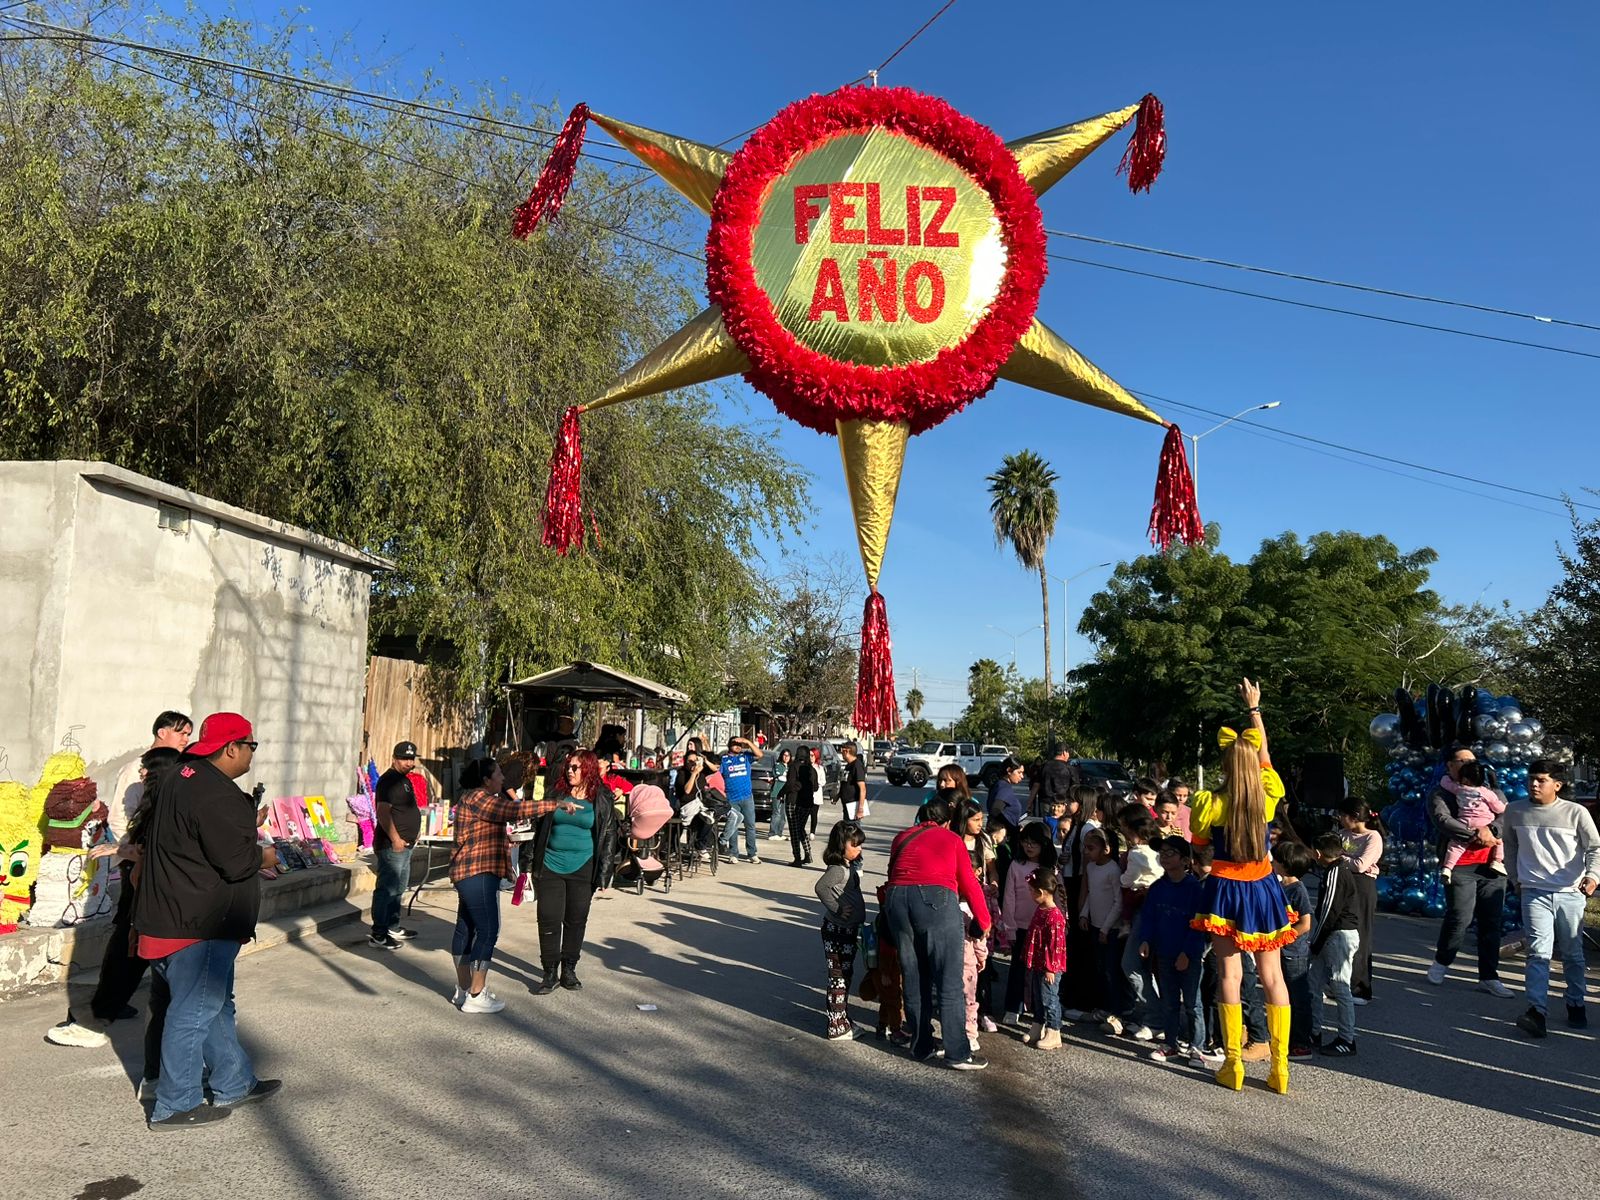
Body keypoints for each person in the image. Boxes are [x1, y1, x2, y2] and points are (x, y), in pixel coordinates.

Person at [135, 713, 280, 1129]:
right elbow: (236, 863)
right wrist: (267, 856)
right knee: (193, 1011)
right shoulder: (217, 793)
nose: (253, 753)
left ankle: (234, 1081)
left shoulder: (182, 778)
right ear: (232, 747)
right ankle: (176, 1103)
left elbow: (197, 839)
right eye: (251, 745)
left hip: (174, 914)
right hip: (199, 922)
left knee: (213, 1006)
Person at [1188, 678, 1298, 1095]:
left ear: (1223, 764)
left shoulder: (1209, 802)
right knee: (1273, 975)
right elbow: (1266, 759)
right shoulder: (1268, 793)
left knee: (1229, 973)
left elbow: (1199, 844)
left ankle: (1233, 1064)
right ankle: (1280, 1068)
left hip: (1224, 889)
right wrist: (1255, 710)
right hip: (1264, 887)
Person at [884, 793, 992, 1070]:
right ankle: (958, 1052)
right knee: (948, 979)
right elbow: (968, 881)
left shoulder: (902, 837)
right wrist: (984, 919)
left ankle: (921, 1046)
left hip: (897, 900)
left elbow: (891, 871)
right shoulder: (952, 839)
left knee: (914, 975)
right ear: (946, 822)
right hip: (935, 898)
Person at [1505, 759, 1599, 1038]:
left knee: (1572, 953)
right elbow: (1509, 846)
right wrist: (1514, 878)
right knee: (1538, 952)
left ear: (1557, 785)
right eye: (1531, 778)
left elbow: (1594, 847)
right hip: (1533, 891)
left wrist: (1593, 877)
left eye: (1541, 780)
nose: (1534, 784)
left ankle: (1575, 1003)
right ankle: (1537, 1011)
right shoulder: (1515, 810)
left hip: (1570, 893)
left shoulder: (1576, 812)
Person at [448, 758, 542, 1012]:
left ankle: (464, 989)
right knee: (487, 931)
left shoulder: (473, 799)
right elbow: (515, 810)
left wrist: (507, 842)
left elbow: (481, 834)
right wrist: (557, 804)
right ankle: (476, 995)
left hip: (471, 873)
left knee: (465, 929)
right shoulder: (481, 798)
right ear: (486, 780)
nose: (503, 779)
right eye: (499, 774)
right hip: (477, 874)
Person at [1426, 747, 1514, 995]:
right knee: (1460, 917)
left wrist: (1492, 832)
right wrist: (1477, 835)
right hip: (1460, 864)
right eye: (1461, 761)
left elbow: (1506, 815)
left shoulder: (1491, 790)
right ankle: (1442, 961)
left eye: (1472, 761)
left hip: (1492, 866)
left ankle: (1489, 976)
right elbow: (1443, 820)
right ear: (1449, 765)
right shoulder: (1442, 792)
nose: (1467, 764)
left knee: (1491, 921)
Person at [529, 749, 618, 995]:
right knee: (548, 918)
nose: (570, 770)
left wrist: (604, 872)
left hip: (584, 865)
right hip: (550, 864)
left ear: (588, 769)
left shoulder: (601, 797)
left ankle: (569, 970)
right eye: (568, 766)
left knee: (576, 920)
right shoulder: (554, 793)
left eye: (576, 767)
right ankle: (549, 972)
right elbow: (537, 828)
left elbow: (609, 835)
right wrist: (528, 864)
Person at [1139, 837, 1212, 1067]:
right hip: (1163, 952)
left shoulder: (1194, 889)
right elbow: (1149, 917)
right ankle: (1170, 1044)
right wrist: (1145, 940)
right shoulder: (1158, 887)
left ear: (1184, 859)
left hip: (1188, 955)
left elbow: (1198, 926)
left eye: (1170, 853)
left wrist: (1188, 953)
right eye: (1162, 853)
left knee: (1193, 1004)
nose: (1165, 857)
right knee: (1169, 1001)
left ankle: (1197, 1048)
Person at [1308, 833, 1362, 1056]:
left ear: (1319, 853)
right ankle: (1314, 1030)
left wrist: (1316, 942)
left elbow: (1329, 912)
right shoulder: (1337, 870)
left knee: (1340, 987)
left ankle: (1347, 1039)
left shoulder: (1335, 874)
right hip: (1332, 934)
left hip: (1339, 934)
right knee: (1314, 982)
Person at [997, 822, 1056, 1025]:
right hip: (1021, 926)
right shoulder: (1016, 865)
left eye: (1034, 844)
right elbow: (1009, 897)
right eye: (1026, 842)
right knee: (1018, 968)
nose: (1029, 847)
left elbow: (1058, 899)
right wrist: (1009, 928)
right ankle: (1013, 1007)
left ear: (1044, 846)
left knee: (1043, 971)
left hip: (1044, 927)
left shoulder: (1050, 869)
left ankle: (1040, 1009)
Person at [950, 797, 998, 1048]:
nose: (980, 824)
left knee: (980, 963)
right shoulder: (952, 840)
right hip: (957, 903)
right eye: (976, 819)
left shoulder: (983, 841)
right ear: (963, 819)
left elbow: (992, 867)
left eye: (982, 819)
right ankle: (962, 1021)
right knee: (961, 967)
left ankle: (983, 1012)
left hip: (979, 903)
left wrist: (993, 885)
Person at [815, 821, 868, 1040]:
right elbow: (820, 887)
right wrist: (837, 908)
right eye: (855, 845)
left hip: (846, 931)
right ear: (840, 845)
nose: (859, 849)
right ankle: (836, 1025)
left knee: (845, 975)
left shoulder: (847, 866)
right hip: (836, 931)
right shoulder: (838, 869)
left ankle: (842, 1017)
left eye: (860, 845)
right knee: (838, 977)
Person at [369, 740, 423, 951]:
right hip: (392, 846)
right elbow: (383, 812)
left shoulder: (404, 780)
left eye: (411, 759)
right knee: (387, 889)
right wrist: (395, 839)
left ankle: (392, 925)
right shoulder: (388, 781)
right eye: (404, 758)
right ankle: (379, 934)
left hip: (406, 845)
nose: (409, 762)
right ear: (394, 758)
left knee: (399, 888)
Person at [1115, 809, 1163, 1040]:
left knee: (1131, 964)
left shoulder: (1136, 854)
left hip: (1141, 907)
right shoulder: (1159, 851)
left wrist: (1121, 870)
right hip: (1157, 909)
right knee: (1151, 967)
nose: (1123, 832)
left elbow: (1127, 880)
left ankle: (1155, 1017)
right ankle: (1152, 1015)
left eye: (1125, 828)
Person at [1271, 840, 1316, 1059]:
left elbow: (1305, 923)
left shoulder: (1297, 889)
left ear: (1285, 864)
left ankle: (1301, 1041)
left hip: (1294, 951)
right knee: (1283, 994)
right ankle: (1284, 1036)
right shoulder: (1277, 885)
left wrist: (1284, 936)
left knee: (1298, 996)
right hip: (1278, 949)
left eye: (1276, 859)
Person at [1335, 798, 1382, 1004]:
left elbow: (1361, 865)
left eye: (1342, 815)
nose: (1339, 819)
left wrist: (1340, 858)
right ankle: (1338, 980)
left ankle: (1361, 986)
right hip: (1341, 883)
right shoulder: (1341, 834)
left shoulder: (1373, 837)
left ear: (1354, 817)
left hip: (1363, 886)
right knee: (1339, 932)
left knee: (1361, 934)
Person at [1080, 828, 1126, 1028]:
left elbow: (1118, 902)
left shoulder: (1113, 870)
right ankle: (1103, 1008)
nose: (1087, 851)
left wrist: (1106, 929)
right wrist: (1084, 913)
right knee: (1099, 968)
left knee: (1111, 971)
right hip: (1095, 925)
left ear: (1106, 849)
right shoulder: (1091, 867)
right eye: (1086, 847)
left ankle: (1116, 1012)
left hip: (1110, 929)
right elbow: (1092, 892)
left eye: (1091, 847)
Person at [1021, 869, 1067, 1051]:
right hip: (1039, 962)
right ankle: (1037, 1027)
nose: (1030, 894)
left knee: (1049, 998)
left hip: (1050, 966)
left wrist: (1051, 968)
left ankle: (1054, 1031)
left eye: (1032, 891)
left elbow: (1055, 946)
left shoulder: (1054, 916)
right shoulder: (1041, 910)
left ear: (1041, 892)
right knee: (1038, 997)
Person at [1438, 761, 1507, 882]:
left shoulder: (1459, 789)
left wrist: (1446, 774)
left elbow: (1445, 783)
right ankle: (1497, 861)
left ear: (1464, 778)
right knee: (1499, 842)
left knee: (1455, 846)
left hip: (1465, 822)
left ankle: (1447, 868)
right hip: (1484, 823)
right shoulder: (1487, 793)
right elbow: (1499, 808)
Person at [718, 735, 761, 864]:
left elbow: (759, 755)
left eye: (739, 744)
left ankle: (752, 853)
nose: (737, 746)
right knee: (733, 826)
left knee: (750, 825)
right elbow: (718, 775)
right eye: (734, 744)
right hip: (731, 798)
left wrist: (748, 741)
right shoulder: (724, 760)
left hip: (747, 797)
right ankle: (733, 853)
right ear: (729, 745)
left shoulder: (745, 757)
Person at [786, 746, 819, 867]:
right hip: (808, 802)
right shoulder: (812, 770)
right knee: (801, 829)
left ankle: (797, 858)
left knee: (794, 830)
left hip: (793, 801)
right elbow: (815, 787)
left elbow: (789, 785)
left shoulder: (794, 767)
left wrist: (782, 793)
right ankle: (808, 853)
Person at [1037, 742, 1079, 818]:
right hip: (1063, 804)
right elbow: (1075, 788)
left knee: (1047, 826)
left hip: (1046, 803)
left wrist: (1030, 802)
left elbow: (1036, 785)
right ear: (1064, 752)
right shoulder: (1070, 769)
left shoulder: (1044, 766)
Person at [988, 757, 1027, 832]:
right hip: (1004, 836)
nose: (1022, 776)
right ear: (1009, 771)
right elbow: (995, 810)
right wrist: (1012, 828)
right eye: (1019, 772)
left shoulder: (999, 784)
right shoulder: (1004, 787)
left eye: (1022, 773)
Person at [840, 740, 868, 825]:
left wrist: (860, 809)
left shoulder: (857, 765)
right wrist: (838, 795)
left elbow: (862, 788)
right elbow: (845, 783)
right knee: (847, 829)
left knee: (853, 831)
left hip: (853, 805)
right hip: (846, 804)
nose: (841, 753)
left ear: (847, 751)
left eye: (842, 750)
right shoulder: (848, 765)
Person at [767, 748, 791, 841]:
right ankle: (772, 833)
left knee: (783, 814)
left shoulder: (789, 767)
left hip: (785, 794)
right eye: (784, 755)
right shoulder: (778, 766)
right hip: (777, 792)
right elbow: (780, 777)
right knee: (776, 813)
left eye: (788, 755)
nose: (786, 757)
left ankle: (779, 833)